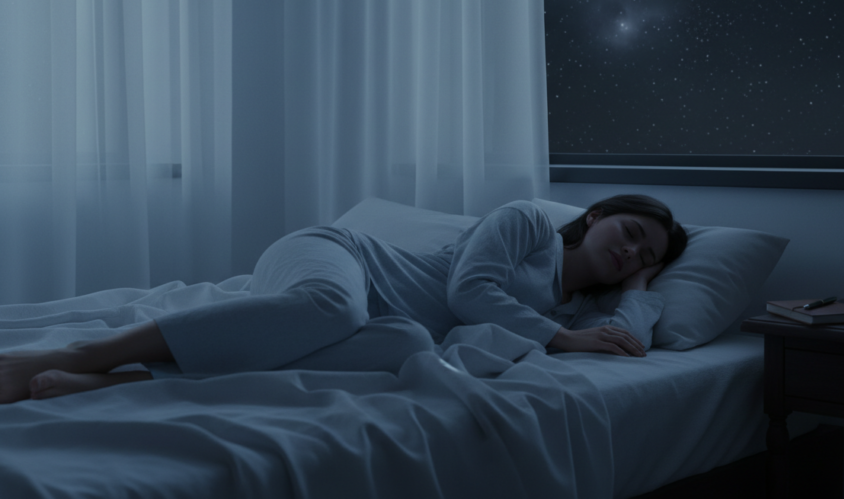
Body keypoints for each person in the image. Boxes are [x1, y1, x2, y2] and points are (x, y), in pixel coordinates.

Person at [0, 195, 687, 403]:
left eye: (646, 253)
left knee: (410, 346)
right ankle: (82, 350)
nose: (631, 251)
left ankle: (116, 378)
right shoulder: (529, 225)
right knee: (333, 310)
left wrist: (638, 289)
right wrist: (561, 340)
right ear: (595, 217)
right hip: (338, 258)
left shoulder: (575, 309)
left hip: (381, 317)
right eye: (630, 233)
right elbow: (468, 290)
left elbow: (633, 340)